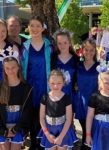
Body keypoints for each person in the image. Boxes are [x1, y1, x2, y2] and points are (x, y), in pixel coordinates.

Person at [21, 16, 52, 150]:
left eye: (37, 26)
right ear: (28, 27)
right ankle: (34, 144)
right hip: (29, 88)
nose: (34, 29)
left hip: (45, 88)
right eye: (32, 25)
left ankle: (43, 145)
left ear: (43, 28)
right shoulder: (24, 47)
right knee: (32, 118)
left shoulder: (50, 46)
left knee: (44, 118)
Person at [37, 70, 78, 150]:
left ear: (63, 83)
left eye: (59, 83)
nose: (55, 86)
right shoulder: (44, 97)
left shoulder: (67, 98)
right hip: (49, 130)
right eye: (52, 83)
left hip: (63, 130)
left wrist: (61, 137)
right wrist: (47, 134)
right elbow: (41, 118)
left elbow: (68, 119)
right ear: (48, 83)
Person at [0, 50, 32, 150]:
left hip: (19, 126)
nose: (10, 71)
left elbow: (27, 111)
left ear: (18, 67)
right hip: (2, 126)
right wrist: (3, 130)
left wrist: (16, 129)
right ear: (4, 70)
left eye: (13, 67)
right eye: (7, 68)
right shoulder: (0, 87)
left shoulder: (26, 88)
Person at [74, 38, 98, 150]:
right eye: (86, 49)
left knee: (92, 130)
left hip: (94, 103)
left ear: (95, 51)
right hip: (81, 101)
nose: (88, 52)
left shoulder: (100, 66)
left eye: (91, 50)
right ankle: (85, 146)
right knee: (84, 128)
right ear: (82, 50)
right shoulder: (78, 65)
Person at [52, 29, 78, 102]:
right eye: (59, 43)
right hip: (56, 96)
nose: (62, 46)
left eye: (65, 43)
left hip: (71, 96)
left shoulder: (76, 60)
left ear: (69, 43)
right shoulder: (53, 59)